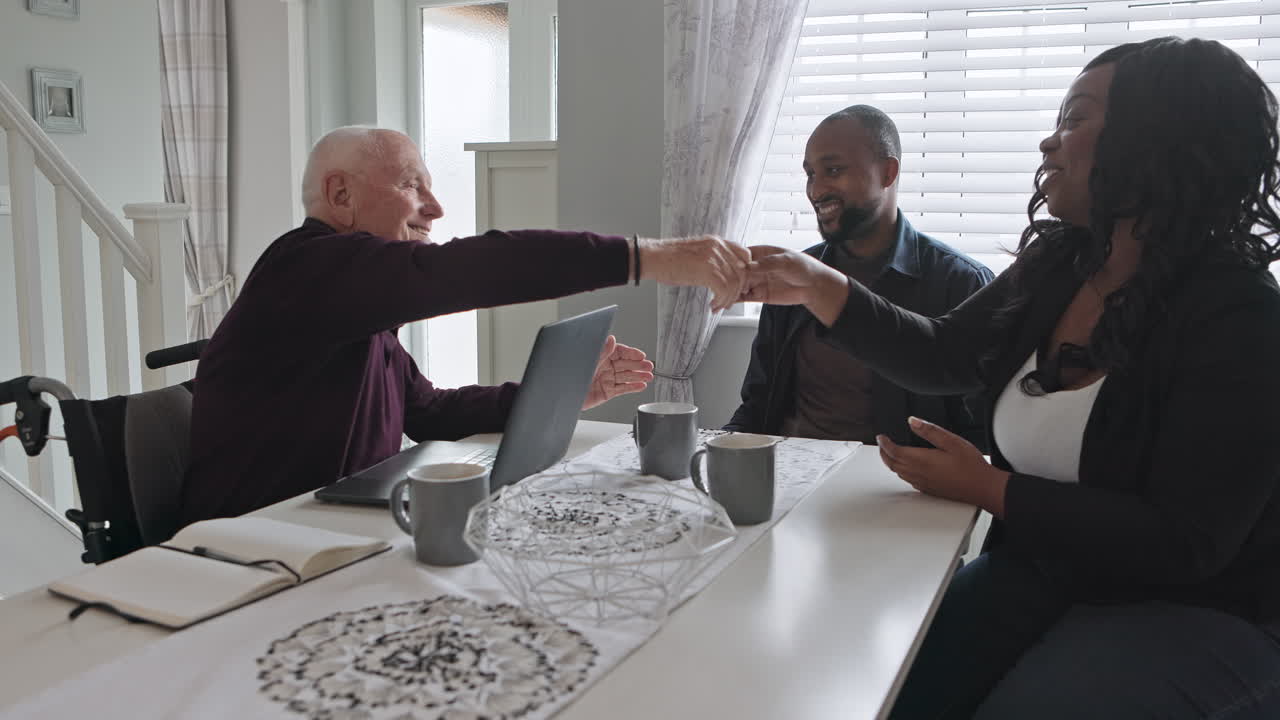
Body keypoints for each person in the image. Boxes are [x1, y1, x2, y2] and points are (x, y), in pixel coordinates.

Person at [743, 37, 1280, 717]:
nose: (1048, 142)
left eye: (1075, 119)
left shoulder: (1241, 317)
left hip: (1198, 607)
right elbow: (941, 354)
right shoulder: (1060, 262)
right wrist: (816, 283)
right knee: (881, 689)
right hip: (1047, 570)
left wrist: (988, 487)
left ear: (1158, 139)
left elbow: (1184, 542)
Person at [181, 126, 749, 527]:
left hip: (327, 529)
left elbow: (429, 412)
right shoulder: (305, 268)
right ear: (340, 194)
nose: (435, 208)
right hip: (250, 549)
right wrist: (647, 257)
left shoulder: (352, 298)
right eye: (411, 185)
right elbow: (468, 268)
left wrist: (561, 396)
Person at [725, 106, 992, 448]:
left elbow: (982, 439)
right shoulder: (791, 277)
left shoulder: (962, 284)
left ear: (888, 172)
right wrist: (712, 451)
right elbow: (757, 408)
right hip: (788, 469)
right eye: (810, 174)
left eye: (833, 170)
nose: (816, 190)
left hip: (896, 477)